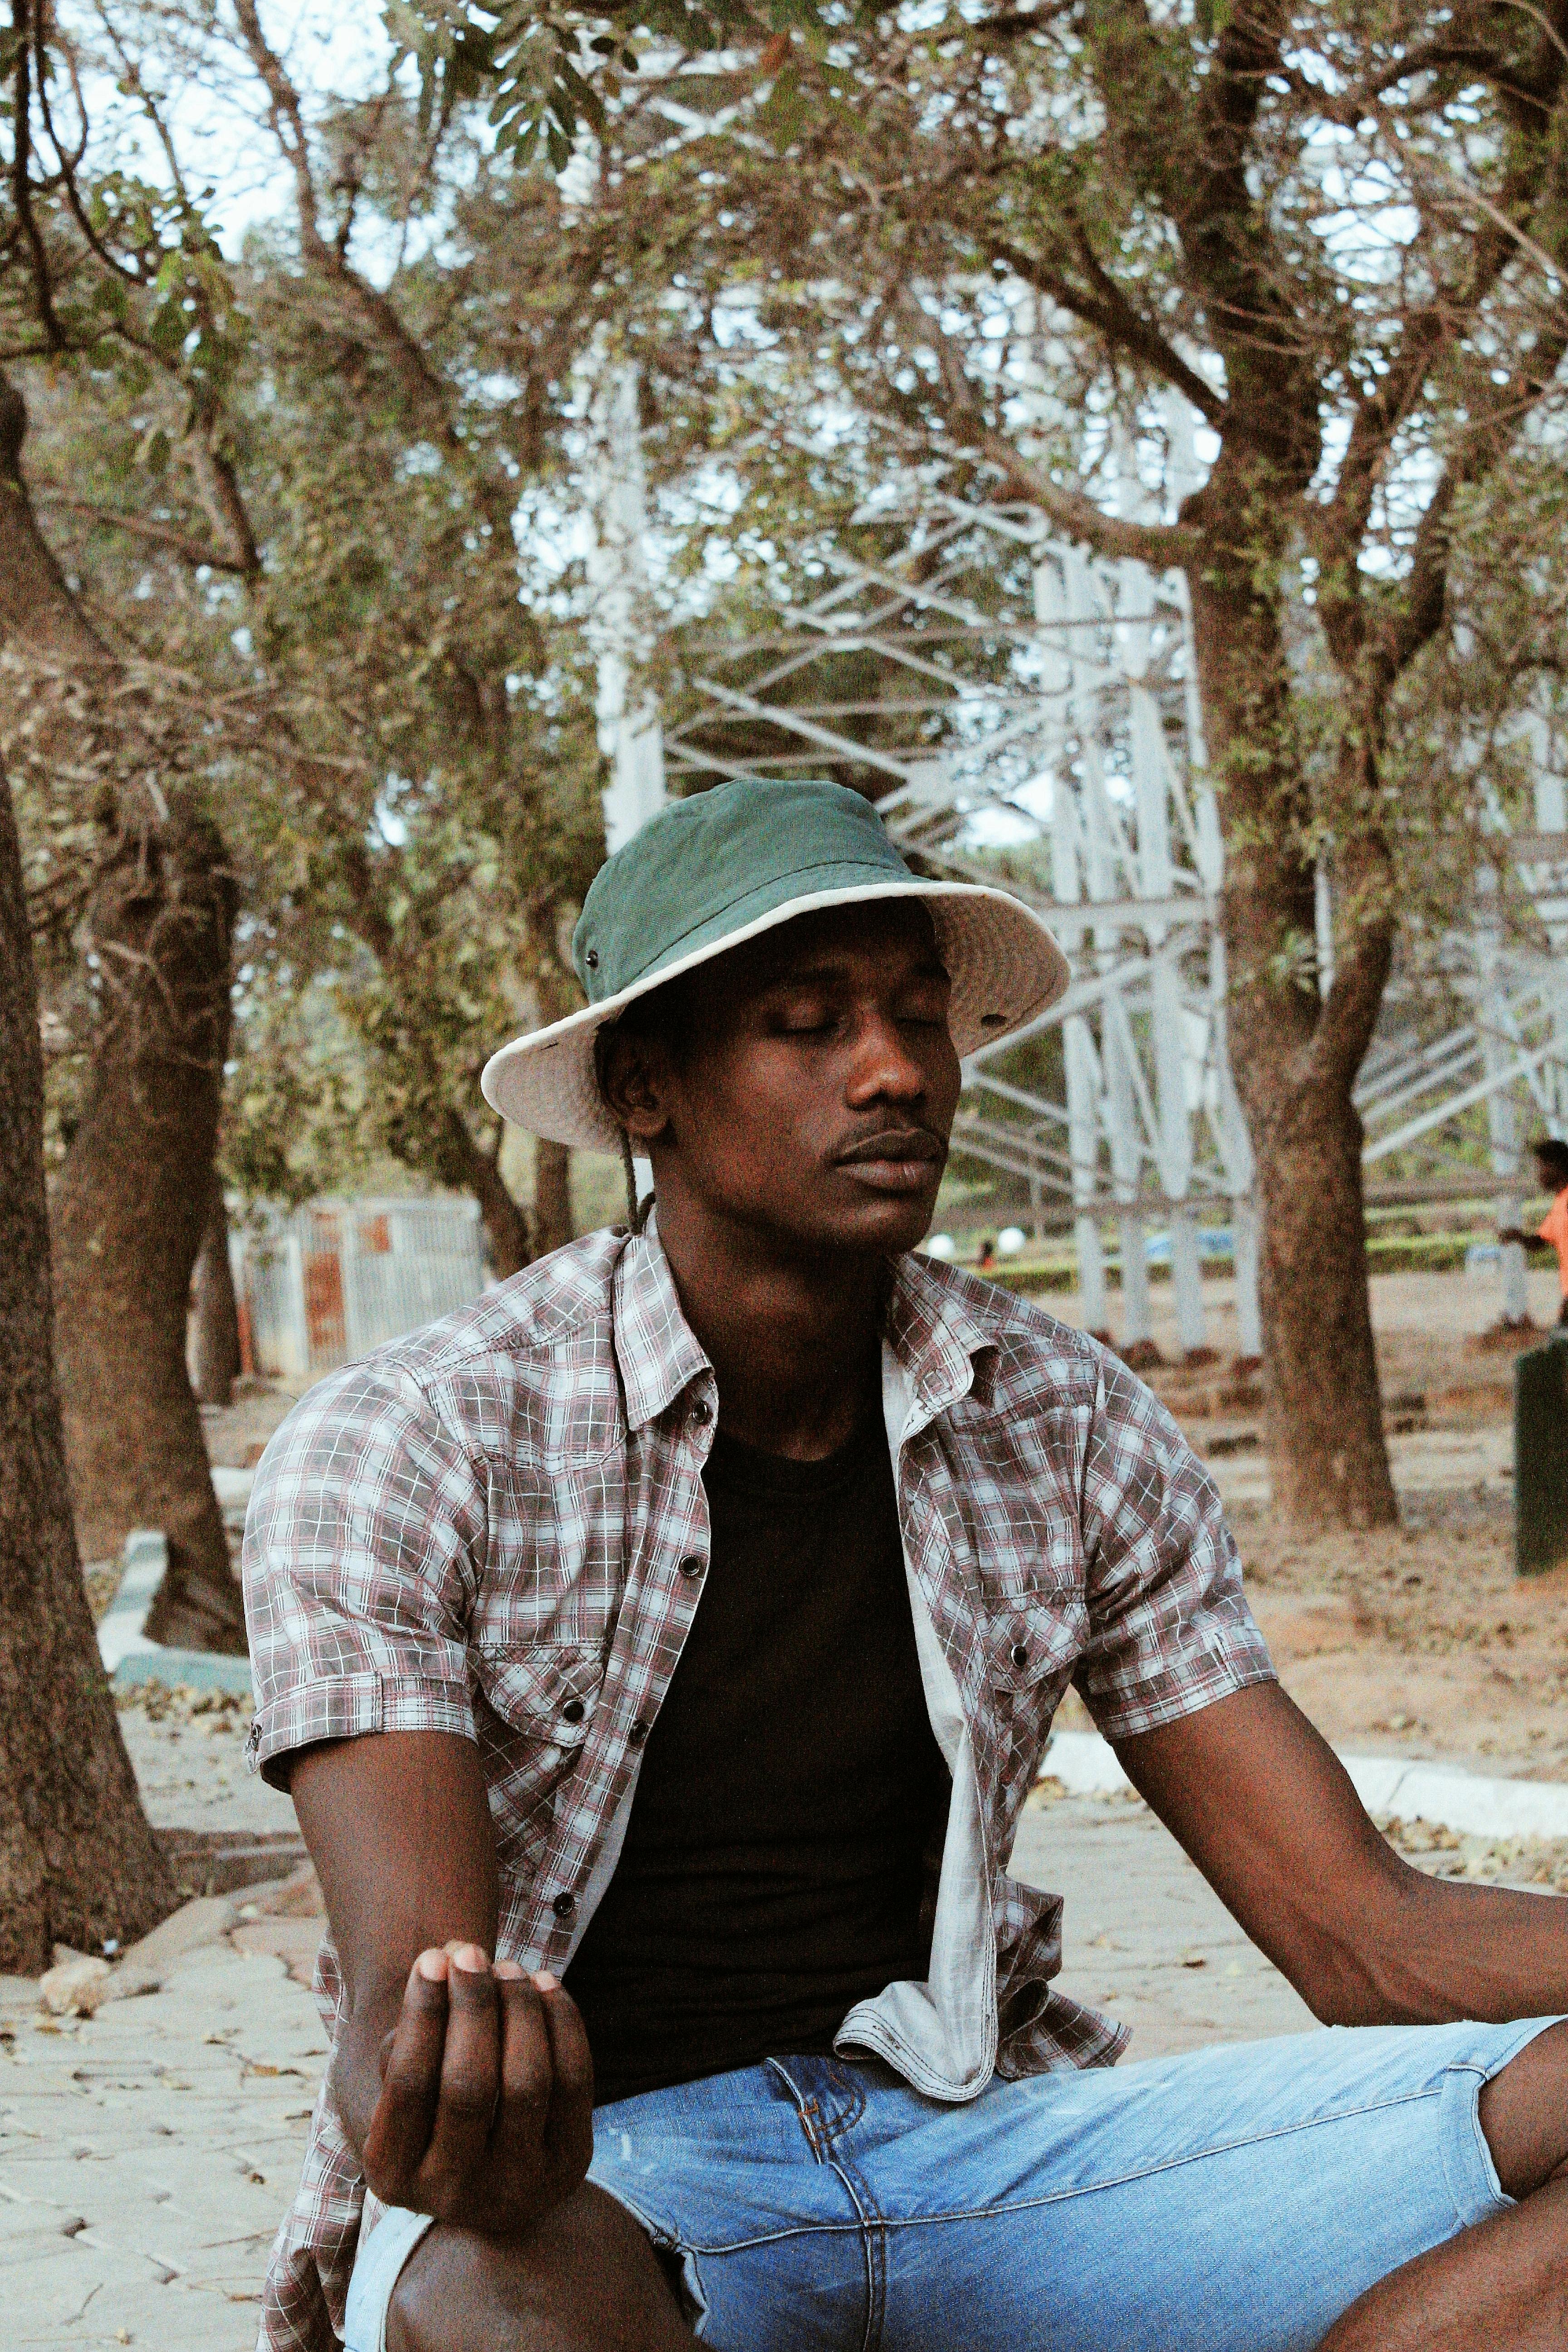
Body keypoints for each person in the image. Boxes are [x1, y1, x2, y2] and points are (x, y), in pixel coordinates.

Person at [244, 780, 1568, 2352]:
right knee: (495, 2295)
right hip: (608, 2192)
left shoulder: (1063, 1420)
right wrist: (444, 2108)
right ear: (649, 1087)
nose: (892, 1072)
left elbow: (1362, 1932)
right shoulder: (414, 1441)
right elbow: (410, 2012)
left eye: (919, 1018)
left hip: (968, 2152)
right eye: (805, 1024)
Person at [1500, 1137, 1568, 1326]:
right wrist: (1518, 1237)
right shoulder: (1560, 1203)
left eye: (1540, 1167)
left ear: (1555, 1167)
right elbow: (1541, 1242)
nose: (1538, 1174)